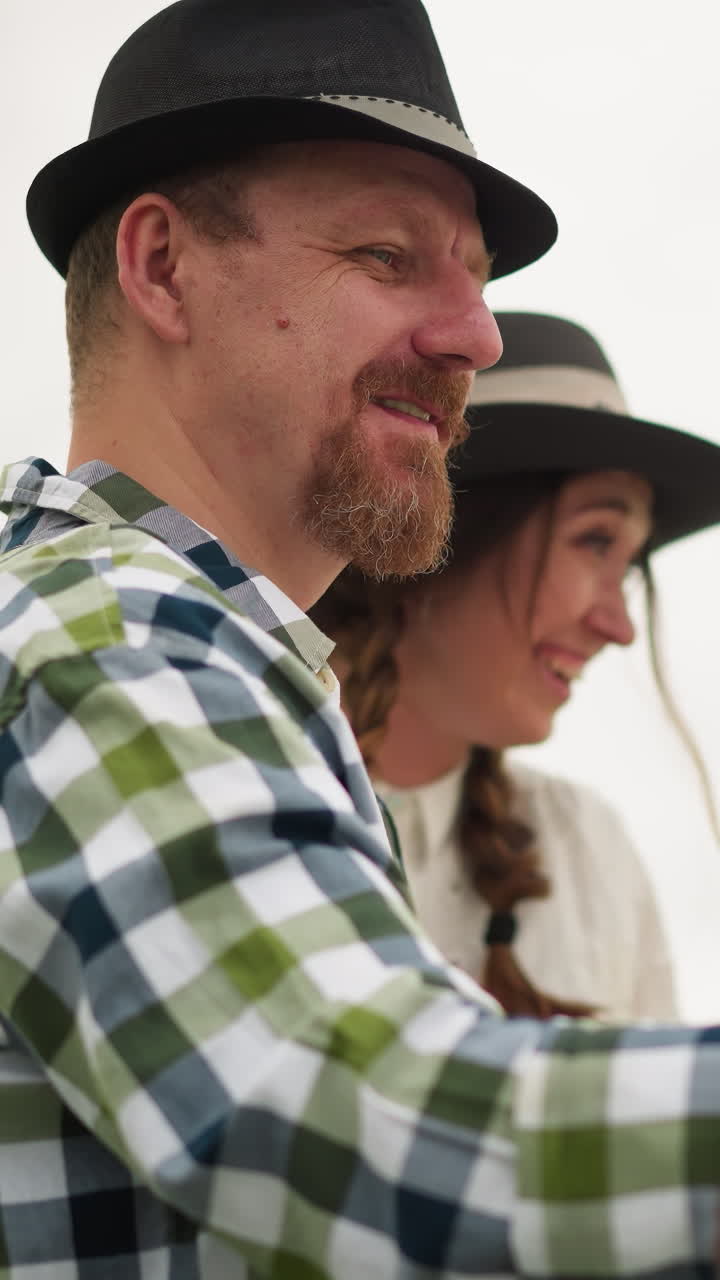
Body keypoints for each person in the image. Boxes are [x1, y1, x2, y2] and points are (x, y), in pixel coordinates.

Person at [1, 2, 720, 1276]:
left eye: (479, 279)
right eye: (388, 256)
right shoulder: (110, 633)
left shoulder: (190, 648)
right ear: (162, 267)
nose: (476, 336)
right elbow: (366, 1122)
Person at [313, 311, 720, 1024]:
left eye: (628, 568)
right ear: (445, 530)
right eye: (595, 541)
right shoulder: (245, 783)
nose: (618, 626)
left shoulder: (591, 854)